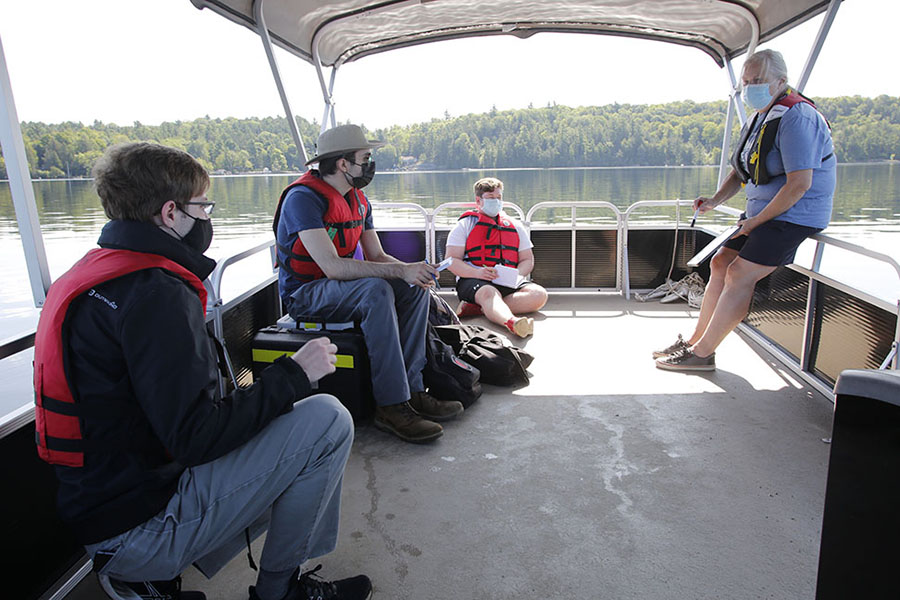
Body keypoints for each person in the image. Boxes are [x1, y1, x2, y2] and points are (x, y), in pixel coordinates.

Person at [32, 143, 372, 600]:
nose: (207, 217)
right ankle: (279, 591)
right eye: (202, 206)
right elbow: (198, 438)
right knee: (326, 420)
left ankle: (149, 580)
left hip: (105, 507)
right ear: (170, 213)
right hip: (139, 530)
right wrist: (295, 372)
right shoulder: (155, 296)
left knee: (285, 421)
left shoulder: (100, 274)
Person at [274, 124, 463, 443]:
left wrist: (412, 270)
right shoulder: (303, 200)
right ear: (343, 164)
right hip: (305, 294)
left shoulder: (359, 200)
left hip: (342, 290)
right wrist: (399, 272)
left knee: (413, 287)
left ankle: (413, 391)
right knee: (376, 290)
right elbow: (332, 267)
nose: (370, 165)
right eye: (365, 158)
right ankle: (390, 406)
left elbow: (375, 255)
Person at [654, 49, 835, 372]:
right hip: (761, 214)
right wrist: (713, 201)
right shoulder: (759, 117)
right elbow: (741, 171)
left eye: (759, 81)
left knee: (739, 273)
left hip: (791, 215)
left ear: (781, 81)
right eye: (747, 81)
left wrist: (755, 222)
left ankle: (703, 354)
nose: (751, 87)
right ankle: (695, 341)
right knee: (721, 262)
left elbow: (799, 185)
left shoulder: (798, 117)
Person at [444, 177, 548, 337]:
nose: (496, 201)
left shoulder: (515, 225)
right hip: (475, 279)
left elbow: (527, 259)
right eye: (491, 198)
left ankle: (479, 308)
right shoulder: (464, 226)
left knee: (539, 295)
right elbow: (451, 261)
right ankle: (513, 323)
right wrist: (477, 273)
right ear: (478, 201)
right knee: (489, 294)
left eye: (499, 197)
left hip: (507, 280)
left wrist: (517, 274)